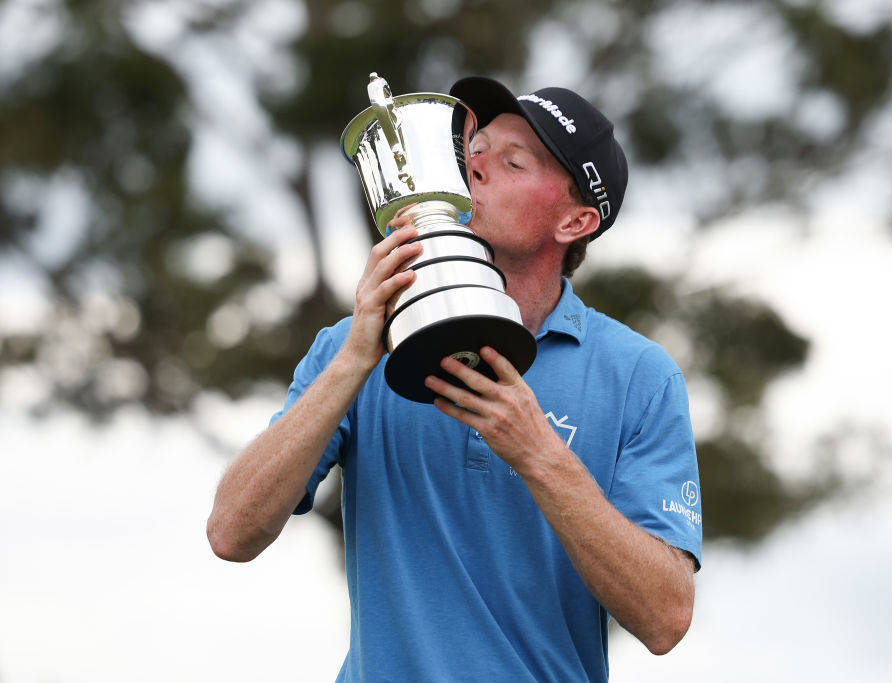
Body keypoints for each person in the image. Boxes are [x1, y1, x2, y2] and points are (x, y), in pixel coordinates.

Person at [206, 76, 702, 682]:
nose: (476, 167)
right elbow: (231, 533)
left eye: (513, 162)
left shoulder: (639, 376)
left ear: (574, 222)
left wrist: (539, 453)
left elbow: (665, 618)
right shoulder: (352, 345)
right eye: (476, 150)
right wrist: (355, 360)